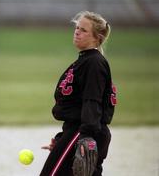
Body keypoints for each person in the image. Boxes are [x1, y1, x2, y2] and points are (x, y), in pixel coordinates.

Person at [40, 11, 117, 176]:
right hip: (77, 132)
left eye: (83, 30)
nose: (77, 32)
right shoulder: (85, 60)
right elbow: (77, 103)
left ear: (97, 37)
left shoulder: (94, 63)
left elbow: (92, 101)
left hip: (83, 134)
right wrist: (62, 138)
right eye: (77, 27)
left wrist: (86, 137)